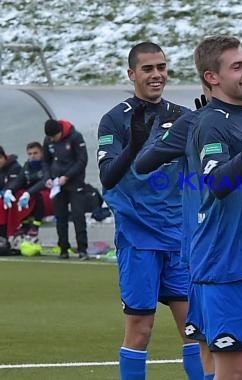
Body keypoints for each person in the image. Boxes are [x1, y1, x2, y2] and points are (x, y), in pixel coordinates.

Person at [97, 41, 203, 380]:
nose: (157, 74)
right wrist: (135, 144)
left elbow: (204, 172)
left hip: (178, 239)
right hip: (138, 238)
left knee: (194, 329)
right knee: (140, 330)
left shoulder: (184, 118)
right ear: (132, 74)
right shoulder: (114, 120)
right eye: (148, 68)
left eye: (161, 67)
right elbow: (108, 176)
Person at [182, 35, 242, 380]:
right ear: (212, 77)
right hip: (222, 259)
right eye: (237, 66)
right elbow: (218, 183)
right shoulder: (210, 123)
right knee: (234, 371)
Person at [42, 118, 89, 260]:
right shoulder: (48, 140)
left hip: (75, 183)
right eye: (49, 138)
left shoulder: (75, 137)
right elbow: (46, 162)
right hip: (57, 185)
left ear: (60, 132)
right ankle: (63, 248)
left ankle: (82, 249)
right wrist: (48, 178)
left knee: (78, 215)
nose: (52, 140)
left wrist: (67, 176)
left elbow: (82, 160)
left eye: (53, 137)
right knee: (60, 217)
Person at [1, 142, 52, 247]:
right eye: (29, 154)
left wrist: (28, 193)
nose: (32, 156)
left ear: (42, 153)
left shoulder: (46, 165)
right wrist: (9, 190)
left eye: (35, 153)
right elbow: (19, 181)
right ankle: (22, 225)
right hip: (31, 194)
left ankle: (35, 226)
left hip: (48, 195)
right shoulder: (27, 166)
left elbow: (44, 181)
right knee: (18, 194)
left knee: (39, 196)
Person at [0, 145, 22, 239]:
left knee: (2, 204)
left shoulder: (15, 167)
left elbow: (14, 184)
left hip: (13, 198)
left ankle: (3, 237)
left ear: (4, 157)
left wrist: (4, 192)